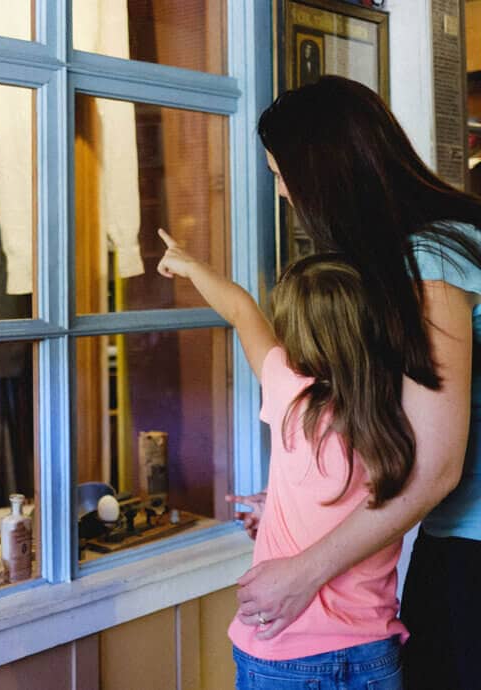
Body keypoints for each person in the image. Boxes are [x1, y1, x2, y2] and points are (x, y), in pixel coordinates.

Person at [232, 75, 481, 690]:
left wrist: (303, 572)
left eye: (282, 173)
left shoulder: (429, 266)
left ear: (325, 176)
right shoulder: (446, 241)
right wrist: (315, 499)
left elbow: (437, 467)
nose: (285, 193)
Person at [158, 234, 408, 687]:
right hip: (374, 652)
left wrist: (190, 265)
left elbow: (239, 309)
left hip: (285, 651)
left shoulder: (289, 389)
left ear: (296, 333)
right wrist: (278, 505)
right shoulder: (395, 410)